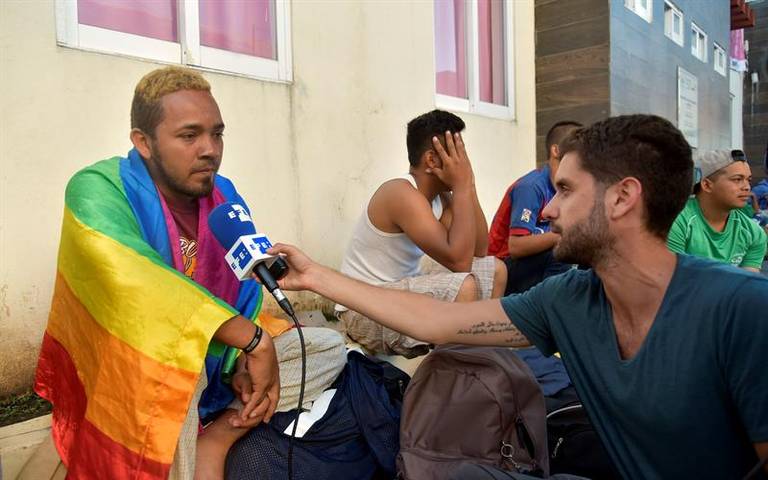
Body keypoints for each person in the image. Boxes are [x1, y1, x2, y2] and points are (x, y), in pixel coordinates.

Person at [268, 115, 768, 479]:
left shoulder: (743, 309)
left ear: (622, 197)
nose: (547, 209)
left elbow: (470, 255)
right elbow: (437, 323)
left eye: (566, 190)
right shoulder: (568, 299)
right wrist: (317, 277)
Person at [34, 67, 283, 480]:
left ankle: (217, 436)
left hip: (217, 371)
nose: (210, 150)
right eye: (189, 136)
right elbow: (139, 281)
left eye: (217, 134)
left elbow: (244, 289)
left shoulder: (224, 194)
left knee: (324, 346)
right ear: (144, 143)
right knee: (172, 385)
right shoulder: (96, 188)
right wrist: (253, 341)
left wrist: (243, 358)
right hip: (135, 371)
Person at [335, 109, 506, 357]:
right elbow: (459, 263)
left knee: (495, 269)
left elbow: (478, 251)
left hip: (396, 293)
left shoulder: (442, 199)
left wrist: (468, 185)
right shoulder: (400, 193)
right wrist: (461, 185)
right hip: (363, 310)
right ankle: (457, 375)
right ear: (432, 160)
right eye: (456, 154)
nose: (462, 162)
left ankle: (480, 356)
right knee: (464, 287)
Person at [487, 121, 581, 293]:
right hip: (504, 268)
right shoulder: (531, 187)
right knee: (561, 252)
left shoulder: (567, 187)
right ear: (556, 151)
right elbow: (516, 247)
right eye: (577, 148)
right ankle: (549, 310)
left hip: (537, 263)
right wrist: (562, 236)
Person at [667, 149, 767, 271]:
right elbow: (672, 281)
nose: (747, 187)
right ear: (707, 185)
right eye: (737, 179)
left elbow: (747, 286)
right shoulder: (675, 222)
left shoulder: (754, 233)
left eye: (748, 180)